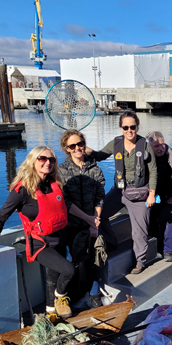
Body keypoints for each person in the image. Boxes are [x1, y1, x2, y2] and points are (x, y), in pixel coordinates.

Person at [0, 146, 94, 318]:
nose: (48, 162)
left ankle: (51, 315)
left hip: (59, 239)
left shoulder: (53, 185)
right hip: (40, 244)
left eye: (51, 160)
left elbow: (63, 207)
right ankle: (61, 298)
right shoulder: (22, 190)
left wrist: (89, 220)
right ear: (33, 161)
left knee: (53, 276)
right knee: (68, 271)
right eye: (42, 159)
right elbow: (1, 216)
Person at [87, 111, 157, 275]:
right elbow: (100, 155)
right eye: (125, 127)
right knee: (100, 214)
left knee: (139, 231)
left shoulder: (145, 145)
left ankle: (140, 262)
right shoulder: (116, 143)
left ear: (137, 127)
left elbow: (153, 171)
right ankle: (111, 242)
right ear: (121, 128)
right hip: (119, 191)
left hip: (140, 193)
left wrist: (152, 193)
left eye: (132, 127)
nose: (129, 130)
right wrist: (86, 149)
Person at [58, 129, 107, 308]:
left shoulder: (95, 169)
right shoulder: (61, 171)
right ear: (67, 148)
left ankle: (94, 296)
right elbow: (65, 201)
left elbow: (100, 196)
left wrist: (95, 220)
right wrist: (88, 219)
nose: (78, 148)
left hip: (92, 223)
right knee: (74, 262)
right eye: (73, 145)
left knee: (94, 261)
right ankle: (71, 296)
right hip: (72, 225)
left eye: (80, 144)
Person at [146, 132, 172, 262]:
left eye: (162, 145)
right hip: (151, 197)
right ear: (150, 147)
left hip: (169, 197)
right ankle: (154, 249)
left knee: (169, 217)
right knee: (149, 218)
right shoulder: (145, 159)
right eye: (156, 146)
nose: (160, 148)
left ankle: (168, 251)